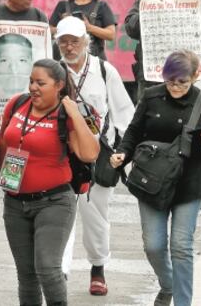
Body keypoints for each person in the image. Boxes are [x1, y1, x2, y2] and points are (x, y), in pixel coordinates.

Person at [110, 50, 201, 306]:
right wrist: (122, 153)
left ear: (195, 77)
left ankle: (183, 302)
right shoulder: (151, 97)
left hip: (189, 183)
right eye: (170, 81)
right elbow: (134, 131)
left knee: (181, 247)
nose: (175, 87)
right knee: (153, 245)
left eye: (181, 82)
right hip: (152, 182)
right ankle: (168, 284)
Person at [0, 60, 100, 306]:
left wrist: (75, 113)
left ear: (59, 86)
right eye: (31, 81)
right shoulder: (17, 104)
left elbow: (89, 154)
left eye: (40, 83)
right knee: (26, 275)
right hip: (15, 203)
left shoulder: (65, 113)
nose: (33, 87)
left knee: (47, 268)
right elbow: (4, 141)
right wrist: (6, 181)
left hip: (54, 202)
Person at [54, 17, 134, 296]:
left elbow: (125, 113)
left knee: (95, 214)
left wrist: (124, 153)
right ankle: (59, 273)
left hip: (98, 154)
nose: (69, 46)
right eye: (63, 41)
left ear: (85, 41)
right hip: (62, 153)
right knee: (59, 212)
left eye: (74, 41)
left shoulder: (104, 69)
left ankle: (98, 266)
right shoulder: (53, 71)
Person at [49, 0, 117, 61]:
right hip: (66, 59)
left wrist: (89, 28)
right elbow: (48, 31)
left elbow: (111, 34)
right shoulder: (62, 5)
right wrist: (64, 26)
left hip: (95, 59)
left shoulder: (102, 6)